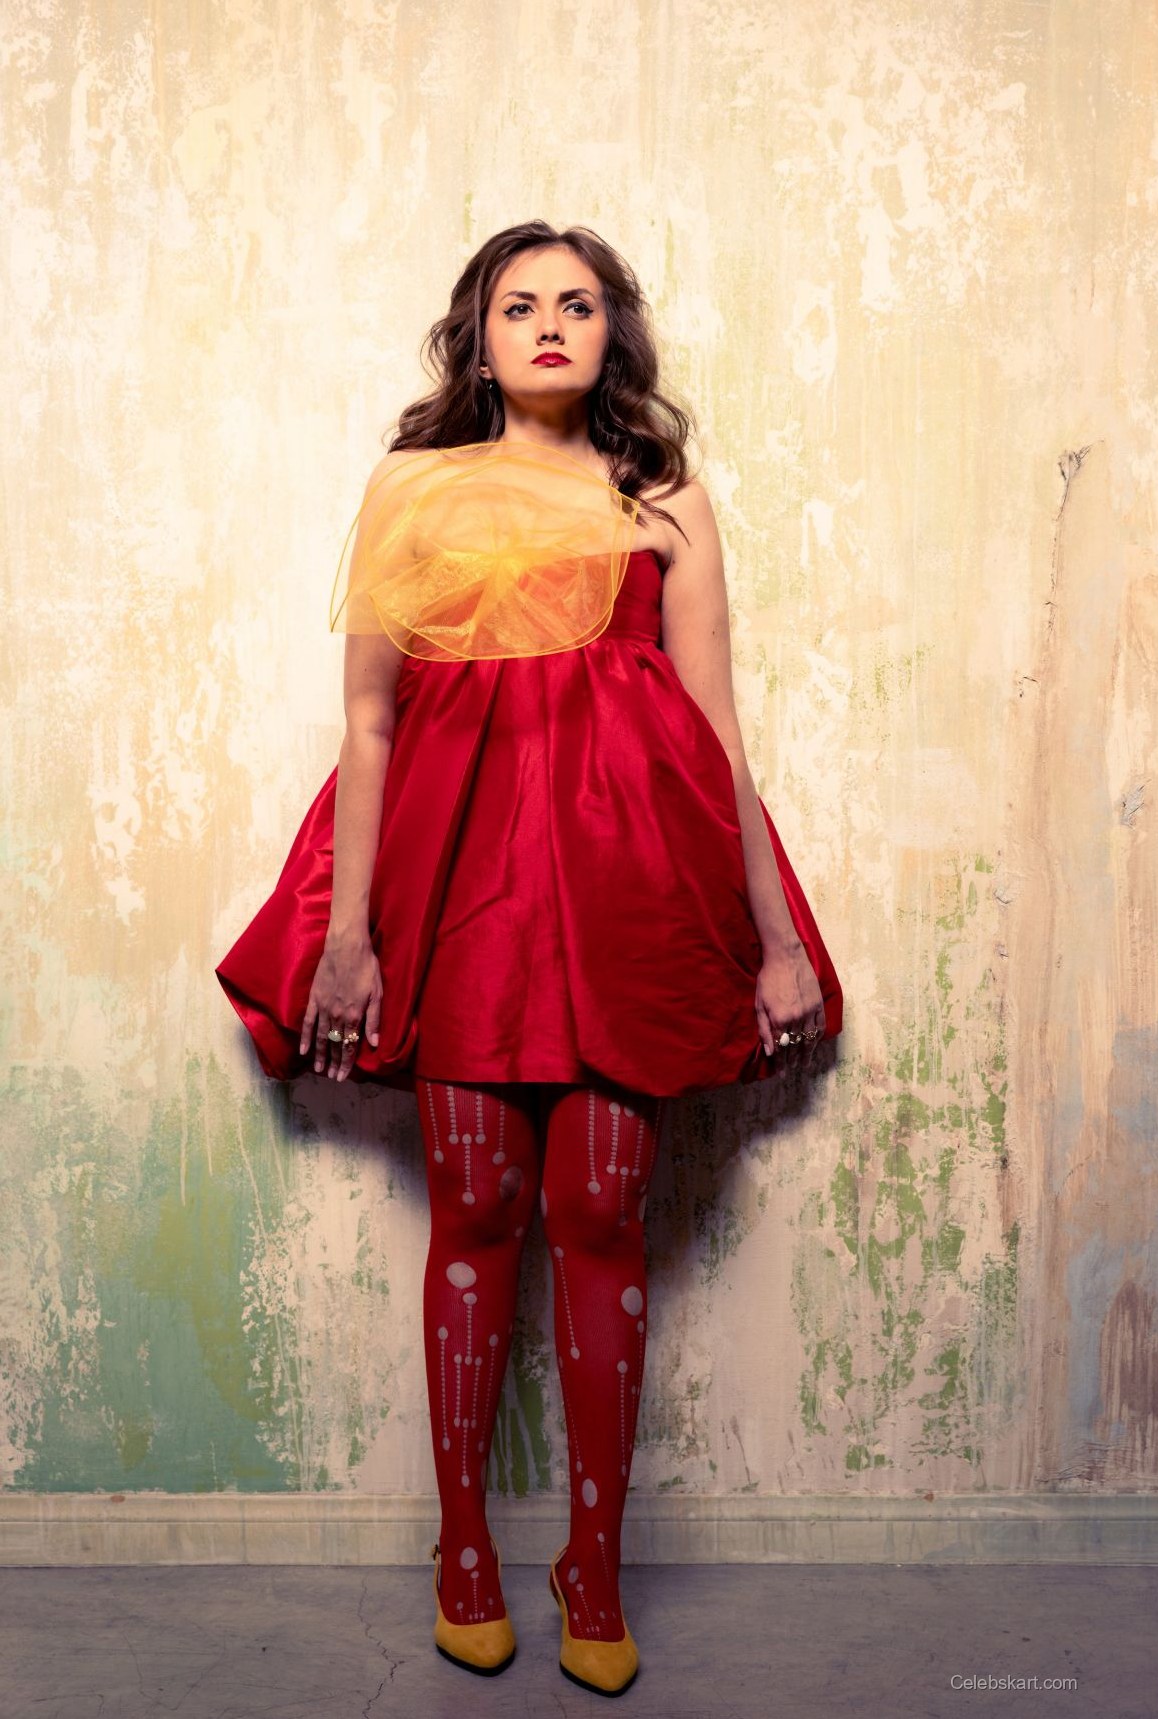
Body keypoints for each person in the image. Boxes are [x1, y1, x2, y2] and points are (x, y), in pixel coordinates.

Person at [216, 220, 843, 1698]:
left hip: (630, 889)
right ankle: (462, 1551)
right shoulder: (414, 484)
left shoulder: (661, 497)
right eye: (519, 304)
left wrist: (775, 941)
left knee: (604, 1210)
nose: (550, 323)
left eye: (578, 302)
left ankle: (593, 1569)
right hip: (462, 889)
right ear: (479, 336)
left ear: (612, 333)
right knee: (480, 1204)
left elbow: (715, 729)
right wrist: (351, 936)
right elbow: (371, 719)